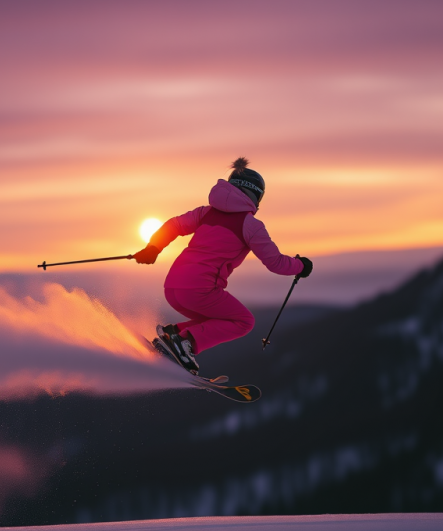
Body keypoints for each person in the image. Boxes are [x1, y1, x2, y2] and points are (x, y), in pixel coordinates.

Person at [134, 157, 313, 374]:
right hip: (199, 290)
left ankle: (174, 335)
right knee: (244, 321)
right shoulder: (250, 225)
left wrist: (154, 247)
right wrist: (301, 266)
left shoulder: (206, 212)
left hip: (173, 287)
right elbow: (275, 263)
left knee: (216, 319)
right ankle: (183, 342)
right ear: (256, 195)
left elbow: (175, 225)